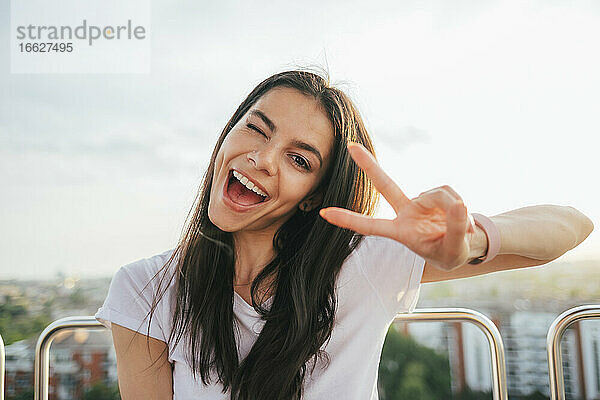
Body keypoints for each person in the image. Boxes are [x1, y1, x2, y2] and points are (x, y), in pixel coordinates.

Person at [95, 69, 594, 400]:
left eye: (298, 159)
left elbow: (572, 226)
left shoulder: (363, 263)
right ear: (228, 133)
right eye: (256, 129)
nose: (262, 160)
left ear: (314, 194)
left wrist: (470, 243)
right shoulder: (145, 287)